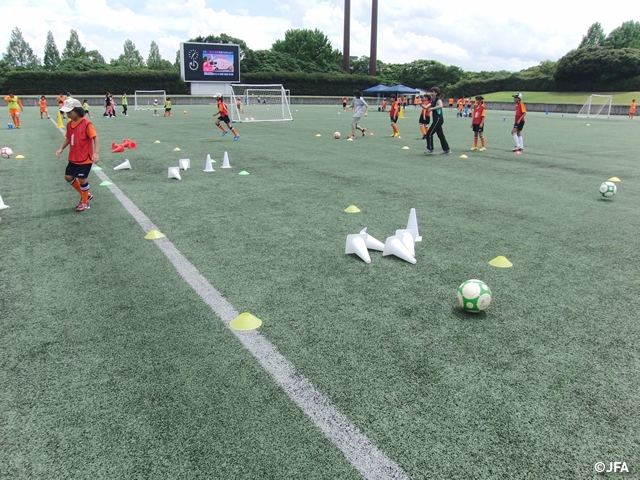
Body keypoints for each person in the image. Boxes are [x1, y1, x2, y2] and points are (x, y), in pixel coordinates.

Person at [55, 98, 100, 212]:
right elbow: (68, 138)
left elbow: (95, 137)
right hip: (74, 157)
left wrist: (96, 153)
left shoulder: (86, 124)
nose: (68, 114)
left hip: (85, 158)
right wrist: (61, 148)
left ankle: (85, 202)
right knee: (68, 177)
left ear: (78, 111)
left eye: (70, 112)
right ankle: (86, 194)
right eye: (67, 112)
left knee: (82, 179)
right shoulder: (69, 124)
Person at [425, 86, 451, 155]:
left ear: (436, 93)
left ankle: (430, 149)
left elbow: (441, 105)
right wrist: (421, 105)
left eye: (432, 92)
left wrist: (432, 109)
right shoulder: (433, 100)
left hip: (438, 119)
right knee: (440, 135)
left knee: (429, 133)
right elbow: (425, 107)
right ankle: (447, 149)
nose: (431, 93)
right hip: (436, 120)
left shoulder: (438, 99)